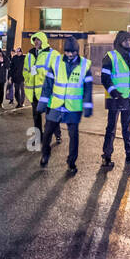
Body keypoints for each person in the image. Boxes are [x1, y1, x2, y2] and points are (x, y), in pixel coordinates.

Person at [38, 37, 92, 171]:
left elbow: (88, 88)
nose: (70, 54)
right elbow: (47, 85)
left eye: (73, 52)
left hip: (73, 107)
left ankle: (71, 161)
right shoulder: (56, 62)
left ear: (77, 51)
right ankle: (45, 155)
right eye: (67, 52)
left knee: (74, 136)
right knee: (47, 133)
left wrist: (87, 105)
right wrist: (42, 103)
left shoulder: (85, 65)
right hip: (56, 105)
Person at [100, 30, 130, 168]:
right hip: (115, 98)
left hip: (129, 97)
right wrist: (114, 93)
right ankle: (106, 156)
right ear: (119, 41)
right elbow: (105, 78)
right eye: (125, 39)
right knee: (111, 128)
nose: (128, 42)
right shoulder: (111, 56)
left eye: (129, 39)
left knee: (127, 127)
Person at [25, 33, 61, 144]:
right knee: (36, 117)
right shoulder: (30, 55)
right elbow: (25, 71)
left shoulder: (53, 54)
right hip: (34, 93)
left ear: (43, 41)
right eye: (34, 40)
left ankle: (57, 134)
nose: (36, 42)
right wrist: (29, 74)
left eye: (38, 40)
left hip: (47, 93)